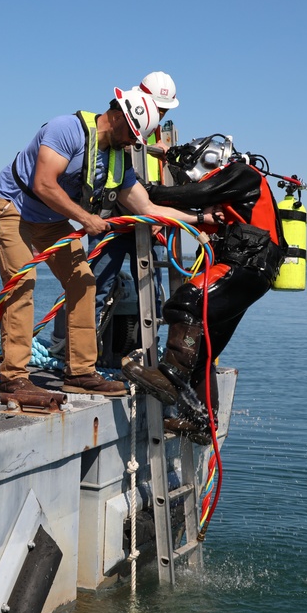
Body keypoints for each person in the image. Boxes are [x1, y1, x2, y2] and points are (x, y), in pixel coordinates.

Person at [0, 88, 222, 404]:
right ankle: (14, 379)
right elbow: (43, 183)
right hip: (12, 206)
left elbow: (147, 209)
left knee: (84, 281)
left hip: (48, 219)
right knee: (22, 283)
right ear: (119, 117)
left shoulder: (117, 158)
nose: (131, 143)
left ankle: (80, 374)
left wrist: (199, 217)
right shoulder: (66, 129)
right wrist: (86, 218)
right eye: (132, 134)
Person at [122, 138, 287, 443]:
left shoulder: (243, 173)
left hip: (246, 266)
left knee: (185, 303)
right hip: (252, 271)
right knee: (203, 352)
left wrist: (147, 192)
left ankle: (168, 377)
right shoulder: (235, 195)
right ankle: (200, 422)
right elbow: (206, 208)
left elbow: (199, 193)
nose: (187, 178)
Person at [50, 72, 179, 358]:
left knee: (152, 292)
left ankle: (148, 353)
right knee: (92, 285)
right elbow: (114, 178)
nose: (160, 112)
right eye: (158, 106)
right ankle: (71, 351)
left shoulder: (159, 134)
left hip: (146, 220)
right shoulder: (125, 131)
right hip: (113, 220)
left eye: (165, 109)